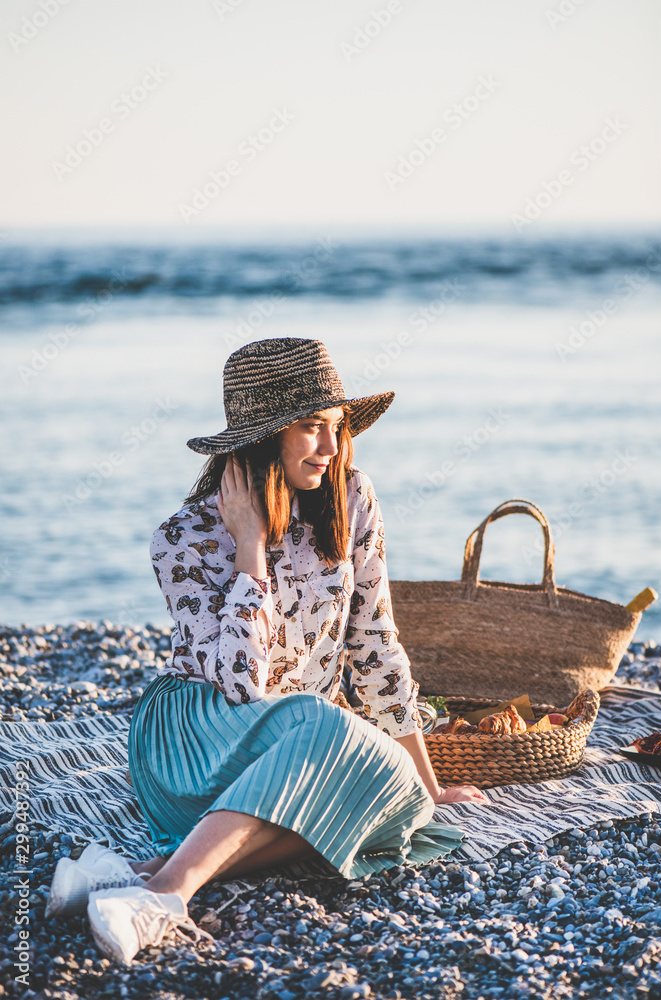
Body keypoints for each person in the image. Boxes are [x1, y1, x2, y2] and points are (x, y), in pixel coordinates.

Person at [47, 337, 487, 964]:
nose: (331, 449)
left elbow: (375, 644)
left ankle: (130, 877)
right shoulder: (184, 539)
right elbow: (242, 689)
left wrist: (428, 783)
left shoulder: (352, 500)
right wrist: (249, 550)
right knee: (327, 726)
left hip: (305, 743)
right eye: (311, 428)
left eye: (336, 428)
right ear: (264, 433)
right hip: (195, 742)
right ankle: (170, 892)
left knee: (408, 801)